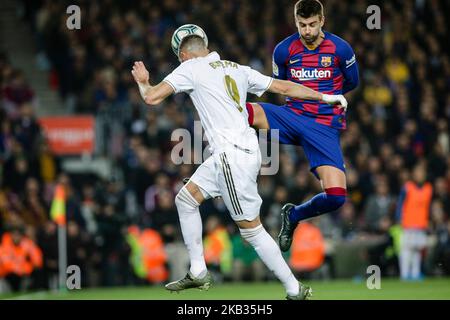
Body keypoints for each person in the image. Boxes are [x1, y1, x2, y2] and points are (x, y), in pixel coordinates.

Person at [131, 24, 346, 299]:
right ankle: (198, 271)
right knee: (185, 199)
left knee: (251, 231)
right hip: (239, 152)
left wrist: (142, 80)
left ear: (182, 54)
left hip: (230, 157)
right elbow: (282, 86)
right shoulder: (236, 68)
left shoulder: (189, 68)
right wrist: (325, 96)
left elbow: (151, 97)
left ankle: (295, 289)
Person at [245, 0, 360, 252]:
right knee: (241, 111)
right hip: (292, 115)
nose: (306, 31)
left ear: (322, 21)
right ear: (295, 22)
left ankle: (293, 215)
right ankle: (212, 164)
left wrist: (326, 100)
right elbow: (281, 85)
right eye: (301, 25)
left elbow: (351, 83)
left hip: (324, 126)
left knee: (336, 197)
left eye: (311, 25)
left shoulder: (341, 49)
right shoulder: (283, 50)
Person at [396, 164, 433, 280]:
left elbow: (429, 207)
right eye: (418, 173)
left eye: (422, 173)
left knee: (417, 250)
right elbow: (400, 204)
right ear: (413, 174)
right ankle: (405, 274)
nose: (420, 175)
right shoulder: (408, 187)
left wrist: (429, 221)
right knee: (406, 249)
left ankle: (415, 274)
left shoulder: (428, 188)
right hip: (408, 222)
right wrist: (399, 218)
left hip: (421, 223)